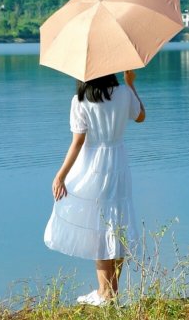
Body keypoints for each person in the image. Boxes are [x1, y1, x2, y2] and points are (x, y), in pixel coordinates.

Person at [44, 69, 145, 306]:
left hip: (93, 167)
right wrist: (130, 84)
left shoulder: (81, 100)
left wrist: (61, 175)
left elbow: (77, 143)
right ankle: (112, 291)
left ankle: (104, 293)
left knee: (99, 227)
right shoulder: (123, 93)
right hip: (119, 164)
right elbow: (141, 117)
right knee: (117, 222)